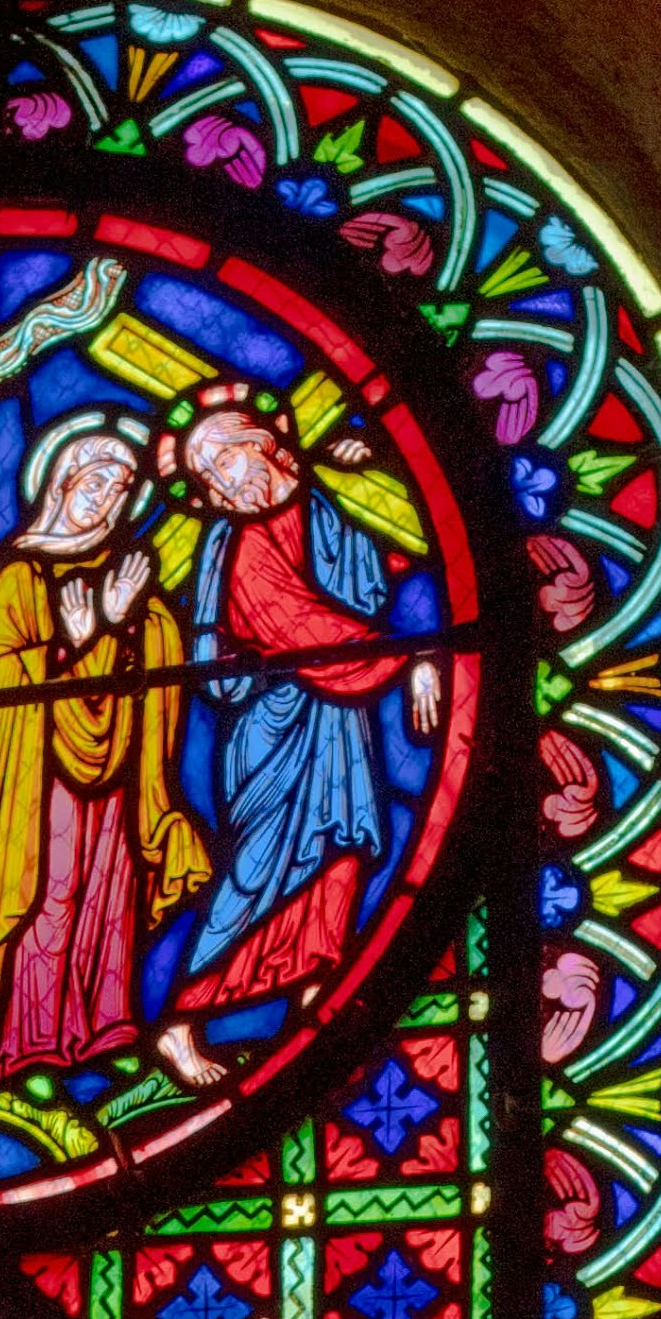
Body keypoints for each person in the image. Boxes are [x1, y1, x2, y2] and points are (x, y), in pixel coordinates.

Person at [159, 382, 446, 1076]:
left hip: (340, 724)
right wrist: (408, 657)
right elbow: (300, 632)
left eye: (221, 467)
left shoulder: (329, 506)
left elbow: (393, 555)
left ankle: (314, 1000)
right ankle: (180, 1023)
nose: (218, 488)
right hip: (275, 726)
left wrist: (367, 467)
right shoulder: (239, 545)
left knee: (341, 856)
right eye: (205, 479)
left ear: (263, 448)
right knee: (258, 874)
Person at [0, 414, 219, 1091]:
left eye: (120, 488)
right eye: (95, 481)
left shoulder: (127, 573)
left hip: (118, 779)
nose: (106, 497)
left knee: (108, 900)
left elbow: (164, 658)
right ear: (60, 482)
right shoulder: (17, 575)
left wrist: (119, 624)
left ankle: (105, 1030)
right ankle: (26, 1048)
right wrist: (76, 642)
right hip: (40, 778)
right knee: (48, 901)